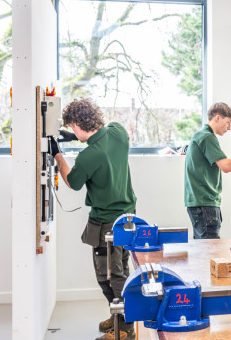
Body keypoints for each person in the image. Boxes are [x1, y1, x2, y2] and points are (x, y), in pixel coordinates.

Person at [50, 99, 136, 340]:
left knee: (108, 276)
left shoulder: (89, 156)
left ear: (78, 124)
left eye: (73, 127)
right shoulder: (118, 133)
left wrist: (57, 153)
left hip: (106, 222)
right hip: (129, 218)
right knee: (122, 269)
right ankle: (119, 315)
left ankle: (125, 329)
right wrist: (76, 136)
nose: (73, 132)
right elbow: (106, 130)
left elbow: (72, 181)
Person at [185, 102, 231, 239]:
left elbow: (224, 161)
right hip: (205, 204)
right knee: (210, 252)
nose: (229, 128)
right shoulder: (207, 137)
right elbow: (226, 166)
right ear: (218, 118)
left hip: (199, 203)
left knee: (203, 251)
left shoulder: (199, 136)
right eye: (228, 122)